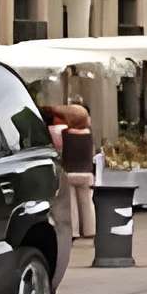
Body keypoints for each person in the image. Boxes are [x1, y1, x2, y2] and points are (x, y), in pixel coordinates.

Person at [51, 100, 97, 240]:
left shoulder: (65, 133)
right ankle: (90, 229)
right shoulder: (88, 134)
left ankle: (74, 231)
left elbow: (58, 148)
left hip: (70, 172)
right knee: (87, 203)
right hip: (86, 173)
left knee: (72, 205)